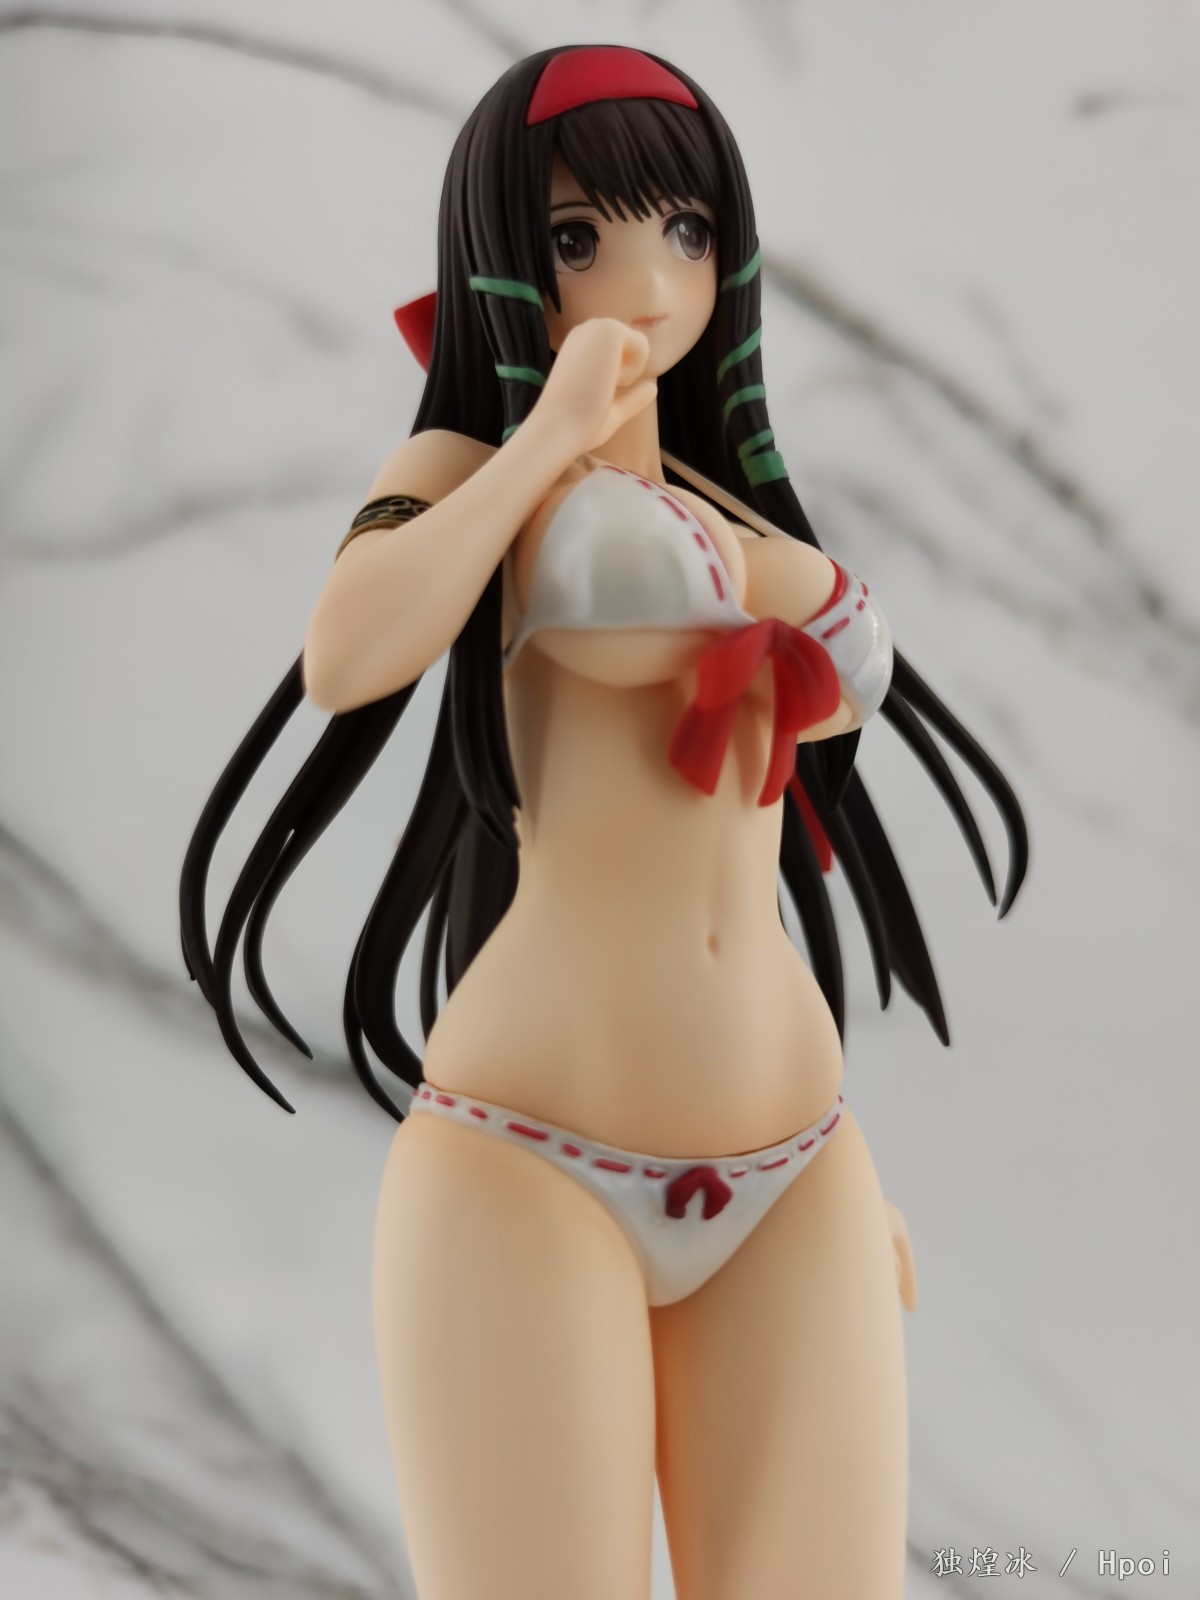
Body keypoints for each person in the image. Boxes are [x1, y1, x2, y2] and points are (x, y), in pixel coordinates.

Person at [180, 44, 1027, 1599]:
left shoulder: (729, 489)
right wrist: (543, 440)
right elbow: (348, 653)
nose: (643, 283)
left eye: (683, 231)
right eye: (580, 237)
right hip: (528, 1169)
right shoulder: (464, 467)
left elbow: (815, 716)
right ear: (507, 252)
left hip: (796, 1166)